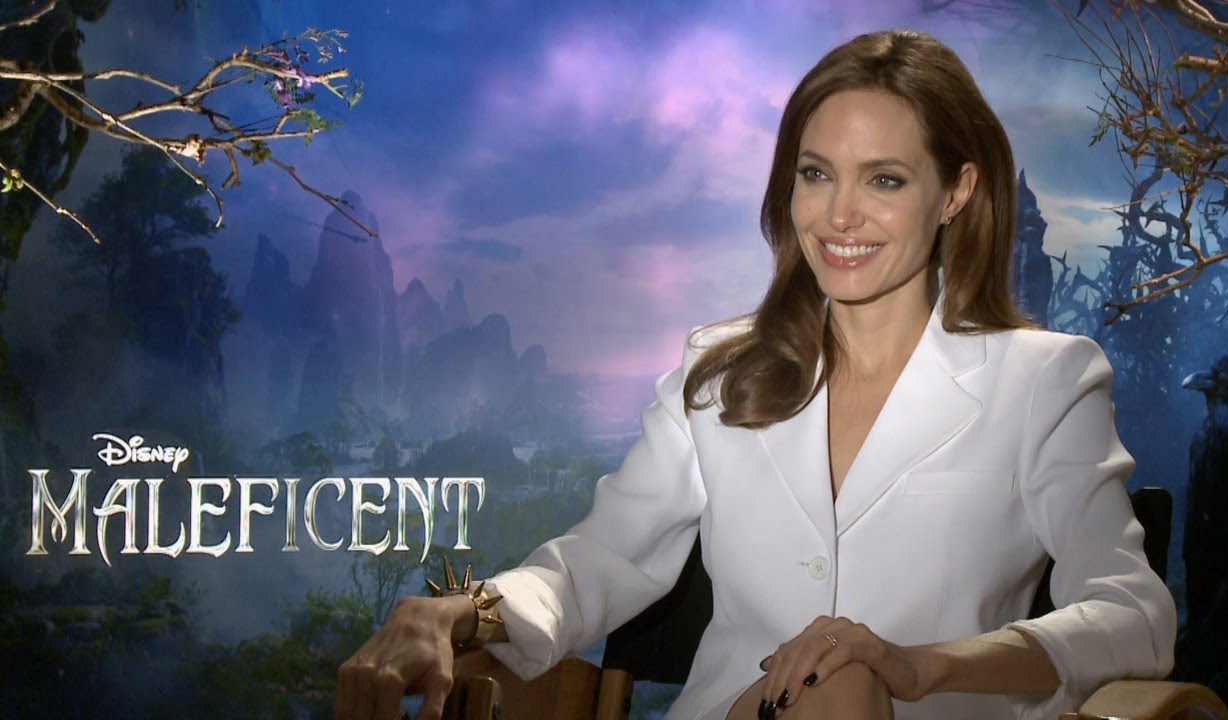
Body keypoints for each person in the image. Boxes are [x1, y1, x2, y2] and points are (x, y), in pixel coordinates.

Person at [335, 29, 1176, 720]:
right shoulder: (718, 372)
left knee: (847, 681)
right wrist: (460, 611)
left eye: (884, 179)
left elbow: (1134, 617)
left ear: (956, 192)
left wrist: (921, 666)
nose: (839, 215)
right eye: (816, 174)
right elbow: (603, 559)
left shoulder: (1046, 382)